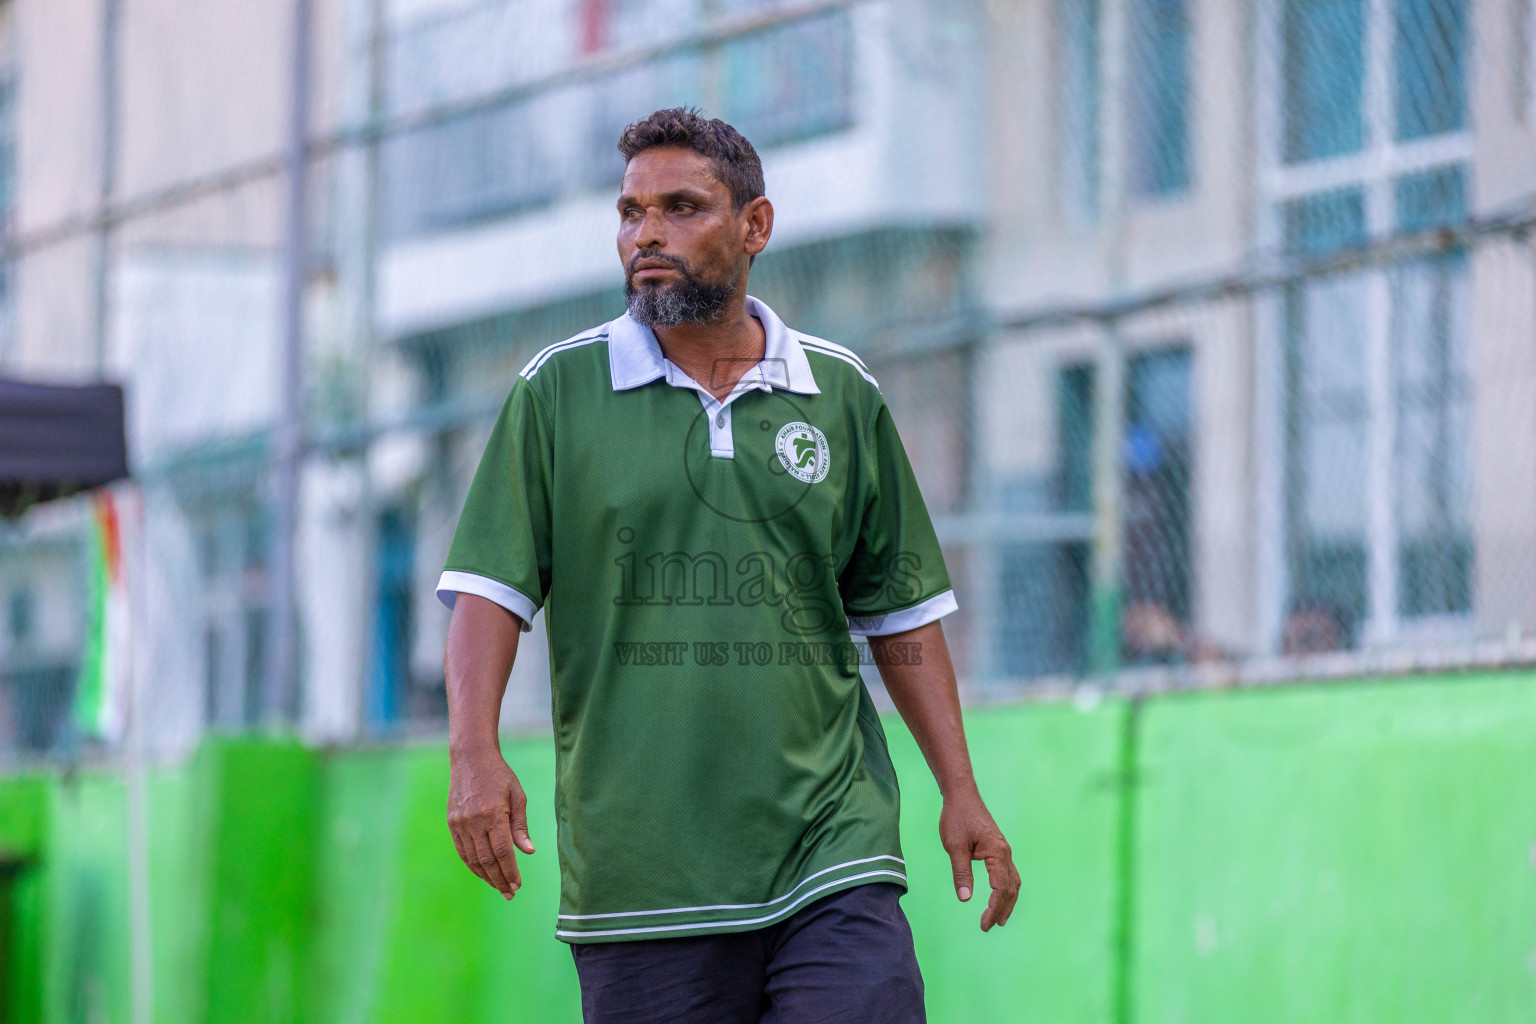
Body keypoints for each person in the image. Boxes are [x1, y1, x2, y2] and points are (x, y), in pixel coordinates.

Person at [438, 107, 1019, 1023]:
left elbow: (901, 615)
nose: (648, 234)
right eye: (631, 213)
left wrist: (960, 789)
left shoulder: (840, 393)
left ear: (756, 226)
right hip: (643, 879)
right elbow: (489, 594)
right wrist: (473, 753)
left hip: (834, 850)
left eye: (681, 207)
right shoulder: (556, 392)